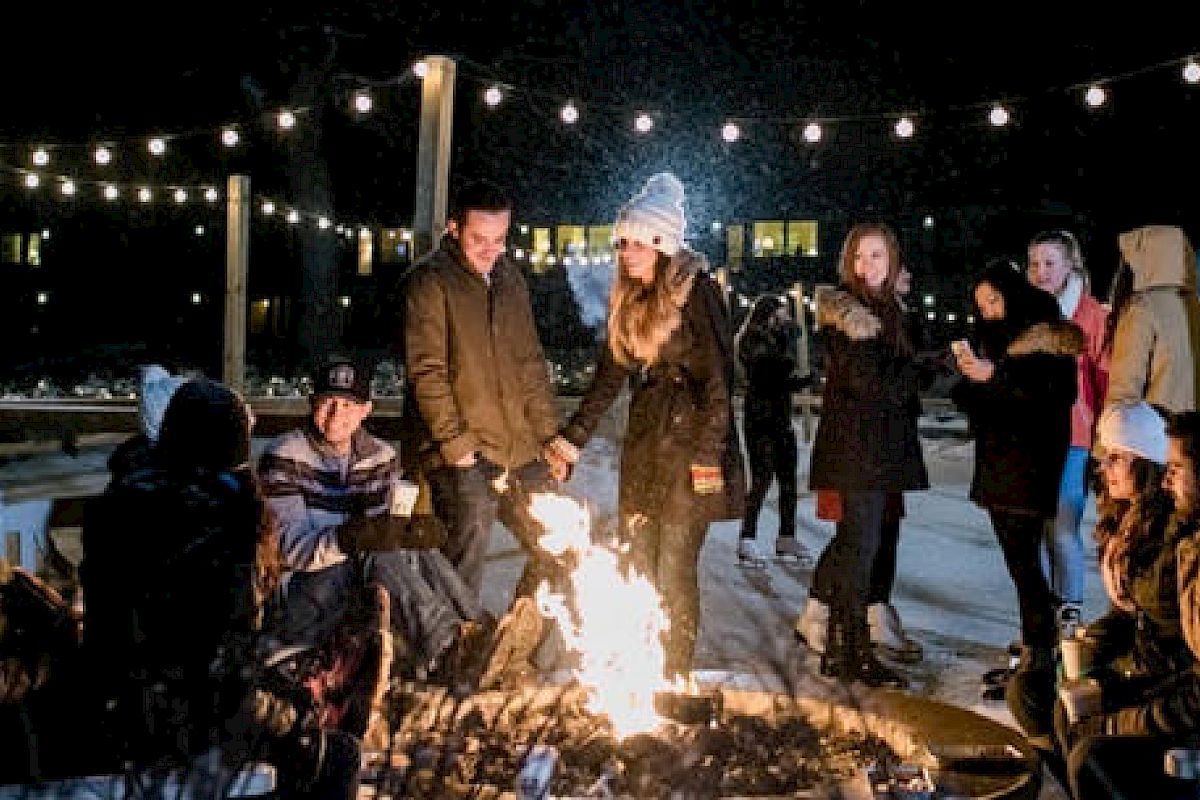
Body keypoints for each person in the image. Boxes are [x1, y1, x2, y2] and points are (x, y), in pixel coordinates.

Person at [81, 378, 361, 798]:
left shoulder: (121, 496)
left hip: (110, 699)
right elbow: (214, 663)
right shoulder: (217, 522)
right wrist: (289, 712)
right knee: (338, 756)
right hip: (176, 724)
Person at [545, 172, 746, 680]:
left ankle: (672, 673)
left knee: (674, 569)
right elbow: (610, 375)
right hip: (645, 445)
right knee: (638, 563)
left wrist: (708, 456)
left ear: (661, 244)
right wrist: (573, 439)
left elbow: (720, 380)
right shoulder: (630, 300)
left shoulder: (696, 290)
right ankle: (641, 671)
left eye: (636, 243)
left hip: (688, 448)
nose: (626, 252)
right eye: (622, 243)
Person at [257, 355, 543, 692]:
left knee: (412, 548)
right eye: (328, 403)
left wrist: (414, 531)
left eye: (349, 405)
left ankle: (480, 634)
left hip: (368, 595)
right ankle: (449, 645)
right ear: (312, 403)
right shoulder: (285, 455)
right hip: (309, 597)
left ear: (366, 410)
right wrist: (353, 537)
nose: (337, 415)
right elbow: (288, 550)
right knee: (379, 550)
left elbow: (389, 532)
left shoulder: (380, 456)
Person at [403, 179, 565, 603]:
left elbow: (531, 364)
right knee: (464, 553)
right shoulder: (429, 282)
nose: (490, 250)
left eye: (499, 239)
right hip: (464, 452)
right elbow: (428, 371)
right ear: (453, 229)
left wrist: (549, 438)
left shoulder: (511, 280)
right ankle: (452, 649)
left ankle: (519, 640)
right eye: (479, 239)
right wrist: (457, 446)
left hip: (521, 448)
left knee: (558, 544)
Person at [796, 222, 928, 688]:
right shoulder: (847, 315)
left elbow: (894, 381)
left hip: (875, 452)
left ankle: (845, 649)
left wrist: (921, 369)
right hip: (856, 453)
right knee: (858, 554)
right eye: (859, 256)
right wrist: (922, 369)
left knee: (863, 552)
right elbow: (873, 383)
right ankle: (847, 651)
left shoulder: (890, 311)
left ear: (892, 261)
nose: (867, 265)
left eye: (876, 256)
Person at [952, 260, 1082, 723]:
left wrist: (996, 379)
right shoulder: (997, 340)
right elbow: (979, 401)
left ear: (1013, 295)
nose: (987, 310)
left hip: (1027, 469)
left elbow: (1050, 399)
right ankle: (1036, 652)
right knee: (1021, 565)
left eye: (994, 300)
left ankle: (1040, 660)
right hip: (999, 470)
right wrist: (972, 378)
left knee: (1026, 567)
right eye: (981, 303)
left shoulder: (1047, 336)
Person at [1050, 406, 1200, 800]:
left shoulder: (1175, 536)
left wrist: (1120, 715)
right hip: (1169, 681)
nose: (1168, 482)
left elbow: (1173, 649)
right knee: (1064, 704)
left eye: (1176, 468)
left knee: (1092, 746)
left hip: (1173, 689)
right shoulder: (1181, 536)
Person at [1027, 230, 1110, 632]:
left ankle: (1070, 606)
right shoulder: (1025, 312)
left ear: (1069, 266)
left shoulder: (1091, 314)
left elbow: (1103, 376)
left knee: (1063, 527)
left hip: (1073, 437)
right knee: (1034, 532)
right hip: (1029, 440)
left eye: (1049, 263)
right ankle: (1041, 615)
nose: (1041, 272)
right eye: (1035, 264)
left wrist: (1102, 437)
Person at [734, 294, 812, 568]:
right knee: (762, 479)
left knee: (788, 480)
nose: (786, 318)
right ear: (769, 313)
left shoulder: (775, 338)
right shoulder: (752, 339)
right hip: (761, 421)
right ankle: (747, 537)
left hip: (780, 419)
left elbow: (780, 381)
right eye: (782, 313)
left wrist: (803, 381)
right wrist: (787, 343)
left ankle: (786, 536)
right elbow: (768, 373)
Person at [1105, 224, 1200, 413]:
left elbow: (1124, 388)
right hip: (1190, 433)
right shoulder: (1194, 306)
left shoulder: (1143, 306)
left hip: (1157, 433)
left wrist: (1110, 434)